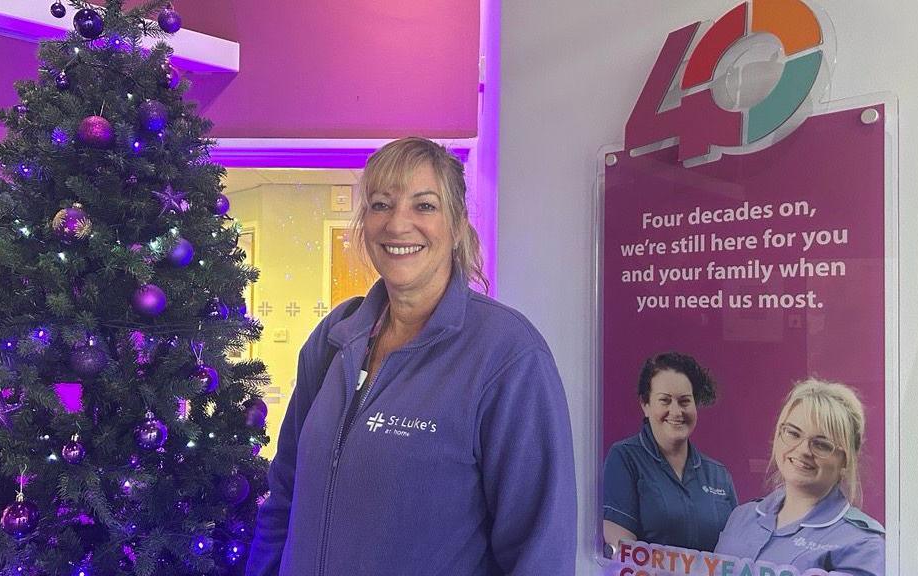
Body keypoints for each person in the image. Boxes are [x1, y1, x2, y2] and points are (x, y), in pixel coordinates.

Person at [245, 137, 576, 576]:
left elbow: (540, 551)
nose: (398, 225)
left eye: (424, 206)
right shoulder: (334, 339)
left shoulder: (507, 355)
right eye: (381, 205)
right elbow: (285, 495)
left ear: (457, 224)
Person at [714, 379, 885, 576]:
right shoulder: (742, 516)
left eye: (821, 444)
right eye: (793, 433)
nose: (804, 450)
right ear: (778, 436)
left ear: (846, 461)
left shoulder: (862, 544)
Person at [603, 352, 737, 554]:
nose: (676, 412)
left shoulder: (719, 475)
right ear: (645, 405)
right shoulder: (625, 458)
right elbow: (622, 553)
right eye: (665, 401)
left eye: (684, 401)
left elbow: (737, 549)